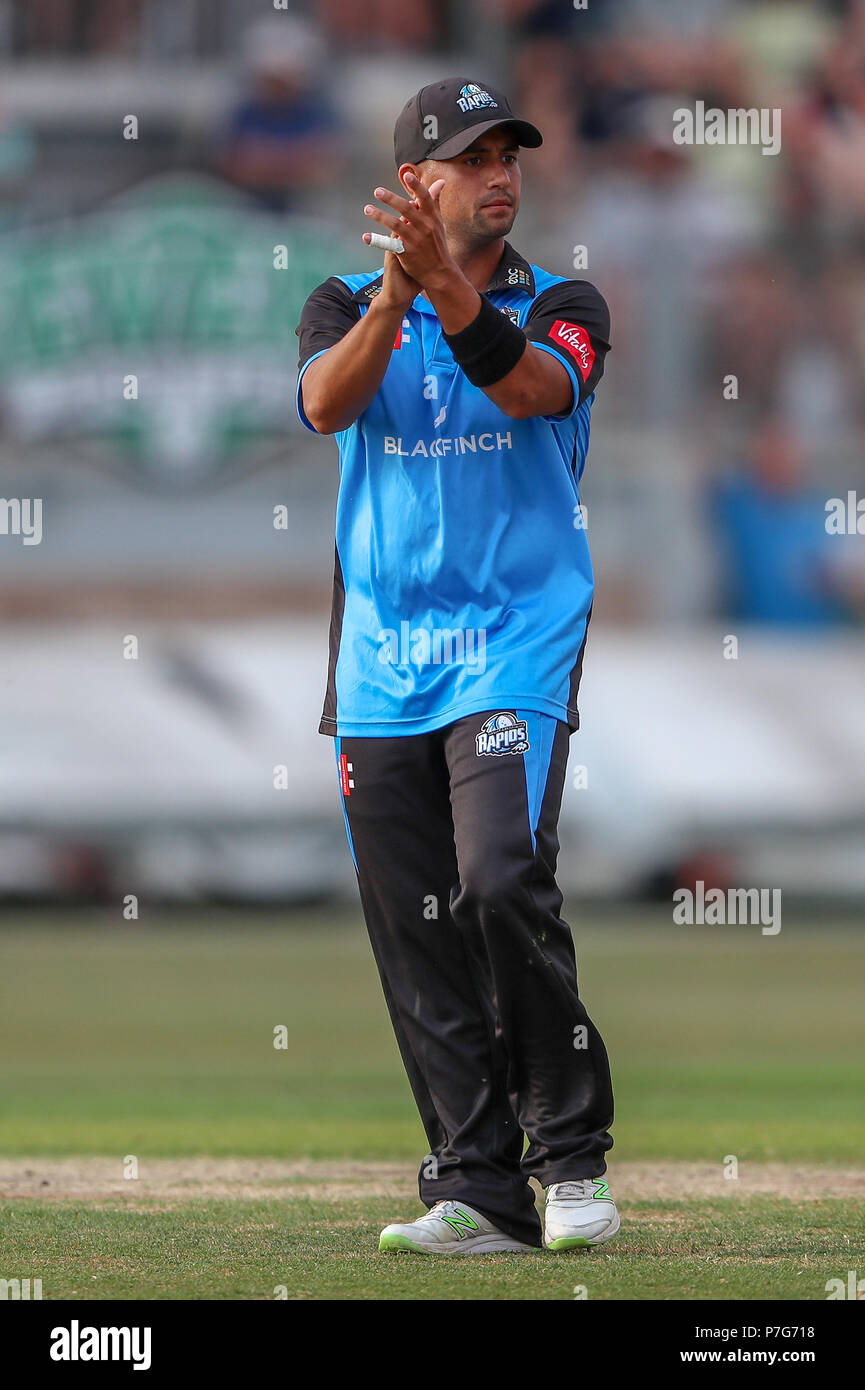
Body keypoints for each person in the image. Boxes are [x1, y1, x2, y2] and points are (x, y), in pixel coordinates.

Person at [295, 78, 618, 1255]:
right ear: (415, 184)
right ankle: (480, 1188)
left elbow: (534, 388)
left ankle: (572, 1158)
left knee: (495, 879)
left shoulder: (562, 300)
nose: (501, 175)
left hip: (513, 653)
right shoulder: (341, 300)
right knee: (414, 924)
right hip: (383, 664)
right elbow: (327, 406)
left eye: (510, 155)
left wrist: (445, 290)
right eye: (472, 157)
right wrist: (398, 294)